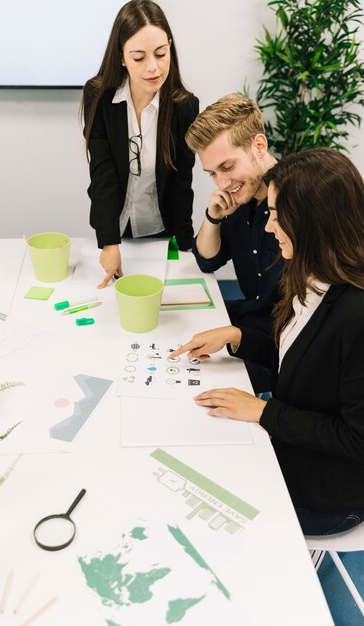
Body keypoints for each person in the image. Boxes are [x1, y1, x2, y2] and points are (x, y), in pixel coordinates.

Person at [170, 148, 364, 536]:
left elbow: (357, 440)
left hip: (327, 495)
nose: (270, 228)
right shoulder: (308, 272)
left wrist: (262, 413)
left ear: (312, 222)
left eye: (277, 216)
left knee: (193, 490)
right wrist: (237, 337)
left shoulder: (356, 314)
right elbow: (300, 359)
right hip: (293, 443)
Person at [82, 0, 199, 288]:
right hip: (114, 228)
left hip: (161, 232)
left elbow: (182, 183)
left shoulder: (184, 106)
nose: (153, 68)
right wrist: (109, 243)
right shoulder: (99, 96)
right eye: (138, 58)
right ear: (121, 57)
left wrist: (186, 246)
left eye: (161, 54)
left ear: (170, 46)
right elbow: (102, 173)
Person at [185, 93, 284, 392]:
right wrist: (213, 217)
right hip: (248, 317)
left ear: (259, 145)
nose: (222, 183)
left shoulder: (297, 202)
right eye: (213, 173)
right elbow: (207, 260)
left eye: (227, 167)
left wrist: (235, 336)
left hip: (279, 345)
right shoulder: (238, 198)